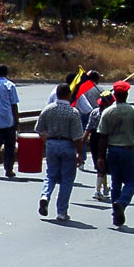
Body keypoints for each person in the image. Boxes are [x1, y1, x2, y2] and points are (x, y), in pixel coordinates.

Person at [97, 81, 134, 226]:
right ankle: (122, 202)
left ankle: (116, 214)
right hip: (126, 149)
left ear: (114, 95)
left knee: (116, 182)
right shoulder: (133, 110)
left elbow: (103, 136)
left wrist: (100, 157)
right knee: (132, 181)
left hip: (112, 150)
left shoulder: (107, 112)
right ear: (126, 94)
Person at [35, 84, 84, 221]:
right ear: (68, 95)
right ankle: (62, 211)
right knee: (67, 179)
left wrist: (47, 140)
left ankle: (45, 195)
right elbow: (77, 137)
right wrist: (80, 154)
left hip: (51, 144)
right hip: (67, 145)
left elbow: (39, 129)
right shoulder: (73, 112)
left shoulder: (48, 109)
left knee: (51, 174)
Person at [82, 90, 115, 199]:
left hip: (94, 140)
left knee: (101, 165)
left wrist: (82, 141)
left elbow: (88, 128)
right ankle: (97, 190)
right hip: (105, 139)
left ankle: (105, 188)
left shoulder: (94, 112)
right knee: (103, 165)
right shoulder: (110, 114)